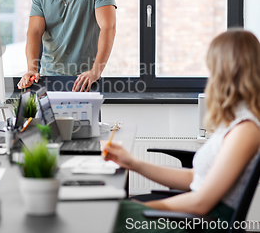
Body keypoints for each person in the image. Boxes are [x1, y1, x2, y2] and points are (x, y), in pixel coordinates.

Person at [105, 29, 260, 232]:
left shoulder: (245, 130)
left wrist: (142, 208)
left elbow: (201, 203)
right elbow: (195, 179)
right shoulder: (235, 123)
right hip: (194, 216)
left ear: (225, 71)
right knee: (105, 209)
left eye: (212, 68)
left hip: (202, 223)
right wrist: (133, 163)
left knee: (101, 215)